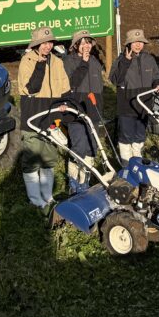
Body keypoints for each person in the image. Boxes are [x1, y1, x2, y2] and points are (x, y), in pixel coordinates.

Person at [17, 26, 72, 210]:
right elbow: (31, 89)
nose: (47, 46)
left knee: (49, 159)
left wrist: (64, 104)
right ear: (36, 45)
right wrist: (40, 64)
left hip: (51, 118)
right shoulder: (27, 61)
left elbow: (64, 87)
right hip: (33, 117)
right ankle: (35, 199)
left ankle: (47, 197)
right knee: (32, 159)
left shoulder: (57, 62)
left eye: (50, 43)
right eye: (43, 43)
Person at [109, 28, 159, 164]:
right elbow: (115, 80)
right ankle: (126, 164)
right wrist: (126, 62)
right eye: (134, 42)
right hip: (127, 105)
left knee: (139, 135)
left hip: (145, 104)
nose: (138, 45)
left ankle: (137, 161)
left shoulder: (149, 59)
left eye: (140, 42)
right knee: (126, 136)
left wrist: (158, 84)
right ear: (128, 44)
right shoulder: (120, 60)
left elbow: (156, 76)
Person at [62, 29, 106, 194]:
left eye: (88, 43)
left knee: (92, 147)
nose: (86, 46)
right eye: (82, 43)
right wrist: (84, 63)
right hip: (76, 110)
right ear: (75, 46)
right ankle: (73, 182)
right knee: (79, 146)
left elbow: (99, 87)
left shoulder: (95, 62)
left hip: (93, 110)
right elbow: (70, 84)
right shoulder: (68, 61)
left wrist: (99, 107)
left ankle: (85, 180)